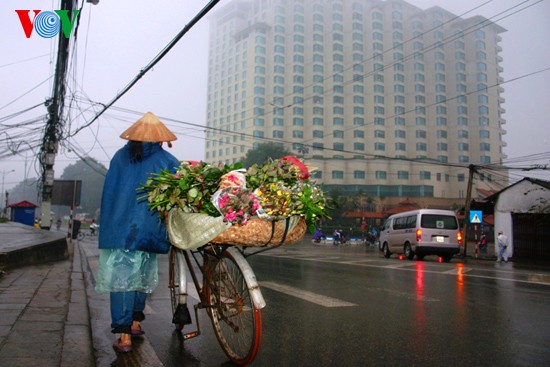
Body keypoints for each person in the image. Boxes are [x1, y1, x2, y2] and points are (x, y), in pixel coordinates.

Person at [95, 112, 181, 353]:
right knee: (142, 275)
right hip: (149, 230)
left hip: (120, 229)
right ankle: (133, 323)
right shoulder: (167, 160)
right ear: (159, 138)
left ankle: (124, 337)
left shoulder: (119, 158)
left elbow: (110, 193)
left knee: (122, 280)